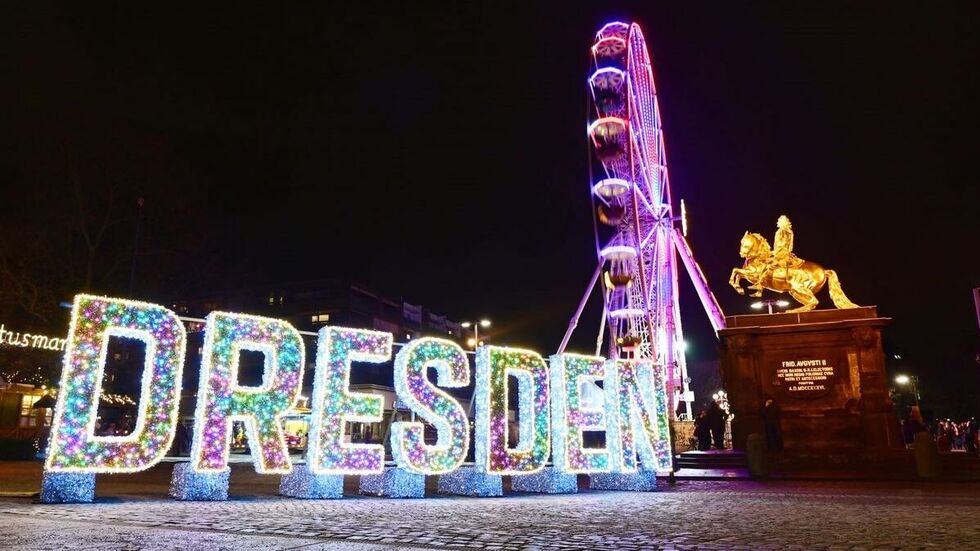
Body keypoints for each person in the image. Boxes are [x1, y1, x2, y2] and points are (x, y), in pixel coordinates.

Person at [751, 215, 804, 297]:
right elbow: (790, 245)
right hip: (785, 253)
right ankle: (759, 289)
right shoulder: (789, 231)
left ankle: (760, 287)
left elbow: (780, 245)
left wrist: (773, 252)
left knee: (767, 266)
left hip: (781, 254)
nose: (778, 222)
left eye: (779, 221)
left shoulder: (781, 231)